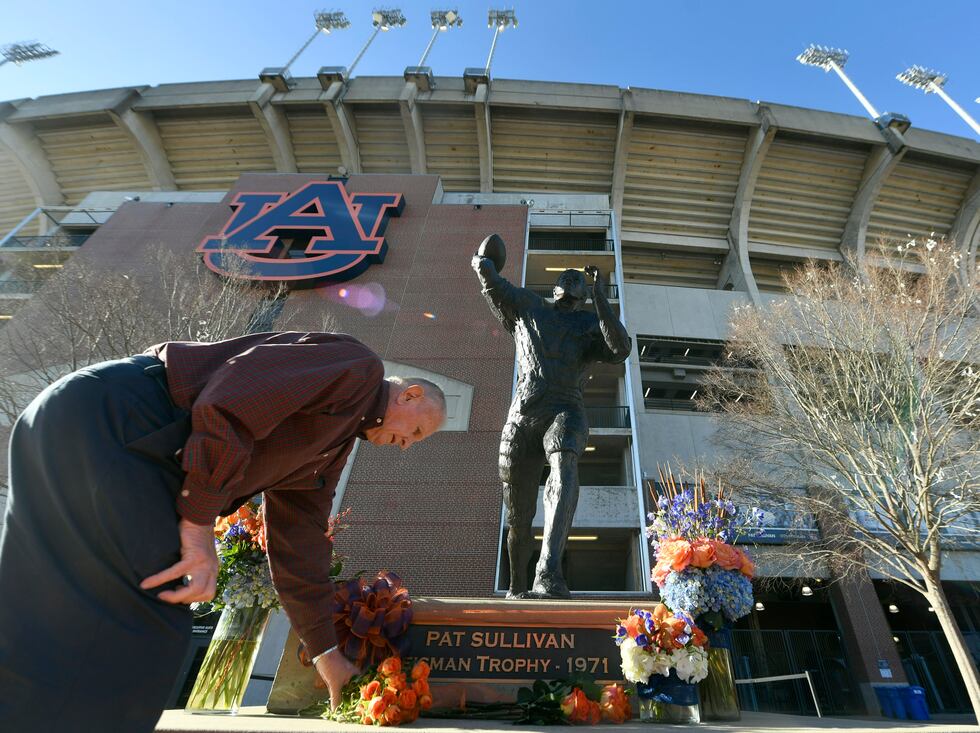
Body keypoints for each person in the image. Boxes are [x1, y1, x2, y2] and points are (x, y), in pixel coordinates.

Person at [0, 331, 446, 732]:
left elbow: (301, 545)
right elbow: (233, 400)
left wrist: (326, 653)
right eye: (418, 431)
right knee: (155, 611)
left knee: (44, 609)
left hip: (77, 420)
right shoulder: (358, 369)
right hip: (120, 418)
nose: (407, 445)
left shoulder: (329, 451)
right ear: (408, 396)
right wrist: (198, 527)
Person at [472, 247, 631, 598]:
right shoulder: (528, 307)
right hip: (523, 415)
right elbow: (493, 283)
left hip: (565, 408)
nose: (572, 280)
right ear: (555, 287)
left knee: (565, 467)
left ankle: (548, 570)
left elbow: (620, 349)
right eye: (566, 277)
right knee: (518, 517)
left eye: (579, 280)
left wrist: (600, 296)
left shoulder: (590, 324)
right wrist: (484, 260)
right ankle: (516, 586)